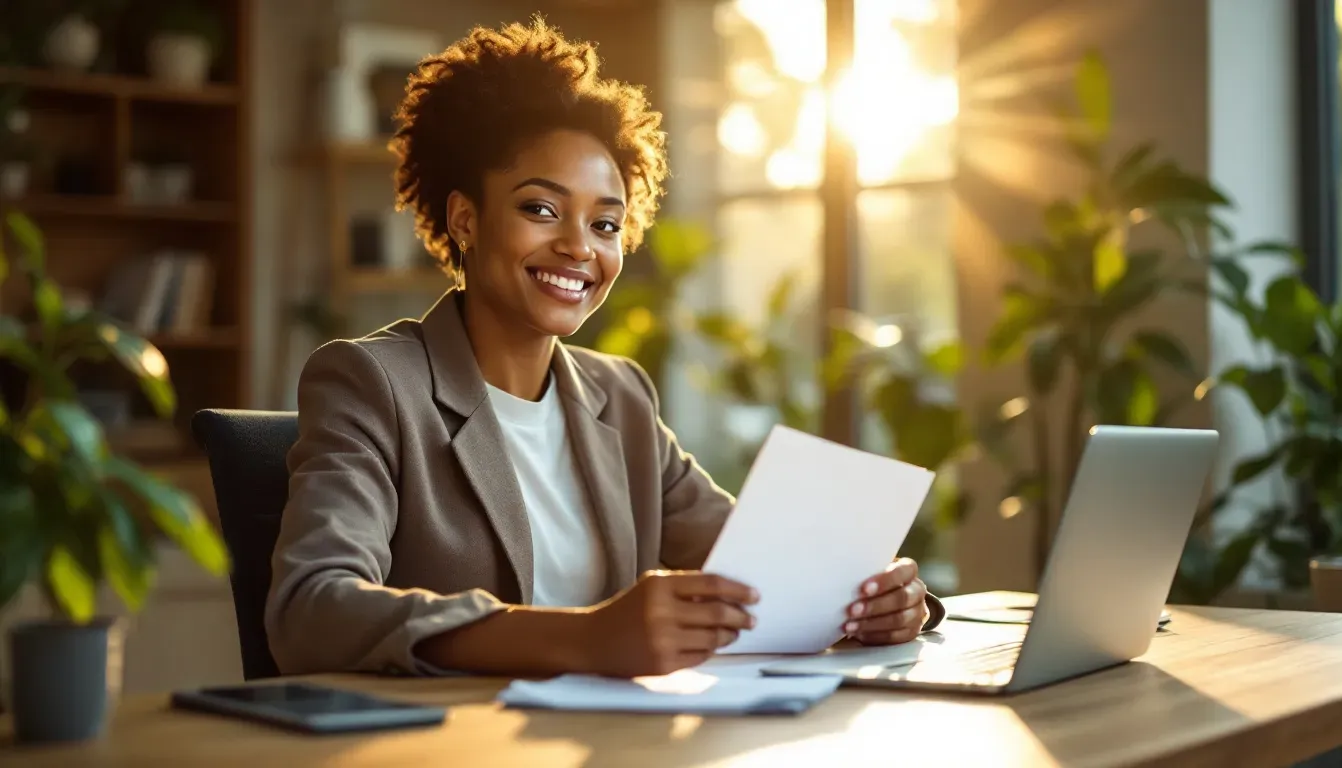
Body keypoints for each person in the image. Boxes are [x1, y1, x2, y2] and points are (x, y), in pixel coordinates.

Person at [264, 17, 944, 679]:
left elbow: (763, 566)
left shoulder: (620, 397)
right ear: (465, 219)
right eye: (540, 209)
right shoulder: (372, 382)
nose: (579, 247)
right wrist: (583, 636)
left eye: (606, 222)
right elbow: (311, 609)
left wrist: (873, 602)